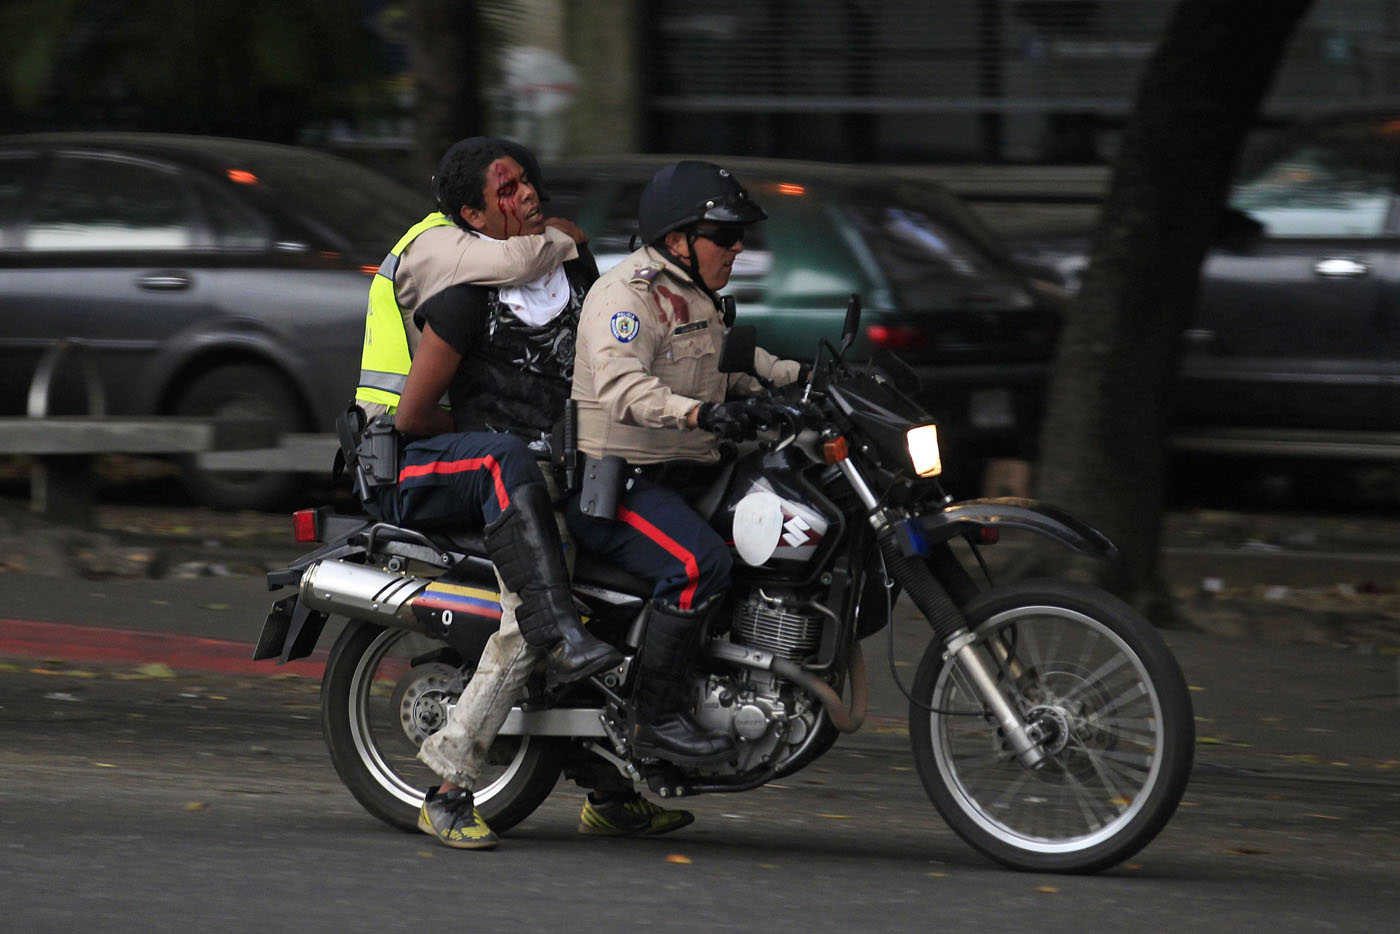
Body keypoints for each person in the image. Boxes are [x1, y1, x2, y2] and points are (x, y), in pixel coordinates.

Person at [359, 137, 691, 849]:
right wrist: (491, 431)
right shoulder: (459, 298)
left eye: (525, 182)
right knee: (533, 619)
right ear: (473, 216)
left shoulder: (573, 268)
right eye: (505, 191)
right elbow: (414, 416)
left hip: (578, 466)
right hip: (504, 478)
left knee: (620, 603)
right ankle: (448, 787)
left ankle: (608, 787)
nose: (527, 195)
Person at [566, 160, 803, 765]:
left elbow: (736, 365)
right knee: (700, 565)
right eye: (723, 236)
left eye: (739, 235)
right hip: (623, 485)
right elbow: (625, 388)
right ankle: (654, 719)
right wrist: (700, 415)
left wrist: (807, 382)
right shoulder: (627, 296)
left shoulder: (699, 294)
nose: (737, 246)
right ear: (677, 241)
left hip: (686, 475)